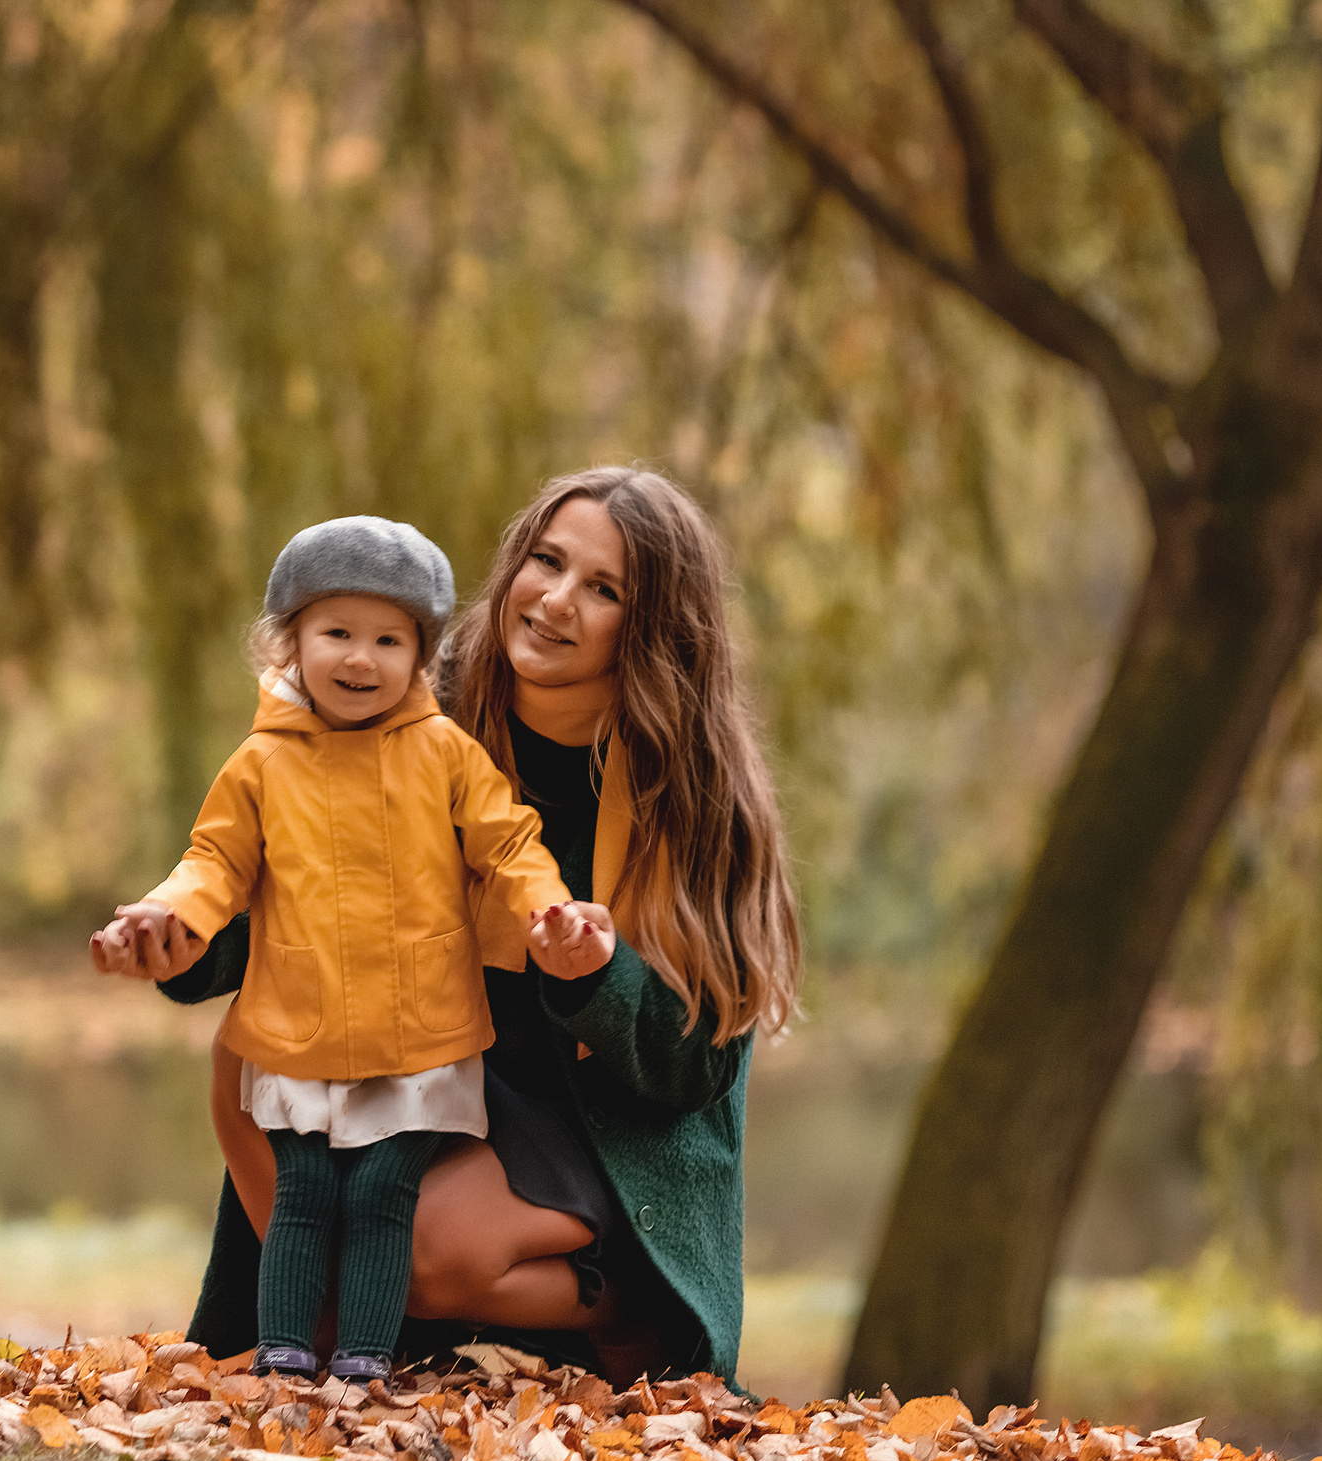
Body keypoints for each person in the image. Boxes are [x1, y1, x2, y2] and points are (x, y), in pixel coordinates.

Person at [99, 468, 801, 1386]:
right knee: (253, 1060)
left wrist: (596, 973)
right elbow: (290, 884)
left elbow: (696, 1063)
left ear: (654, 626)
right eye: (546, 561)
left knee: (423, 1247)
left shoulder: (693, 791)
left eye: (603, 589)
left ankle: (631, 1297)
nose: (554, 600)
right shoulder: (404, 704)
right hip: (438, 1053)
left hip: (601, 1113)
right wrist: (186, 938)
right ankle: (350, 1314)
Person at [90, 515, 605, 1385]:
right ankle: (288, 1354)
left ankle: (369, 1358)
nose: (360, 659)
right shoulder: (259, 764)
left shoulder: (444, 751)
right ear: (290, 643)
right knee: (305, 1195)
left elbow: (507, 843)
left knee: (380, 1194)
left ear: (421, 653)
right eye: (337, 633)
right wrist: (163, 919)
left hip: (421, 1031)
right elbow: (214, 862)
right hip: (301, 1023)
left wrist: (550, 912)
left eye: (387, 639)